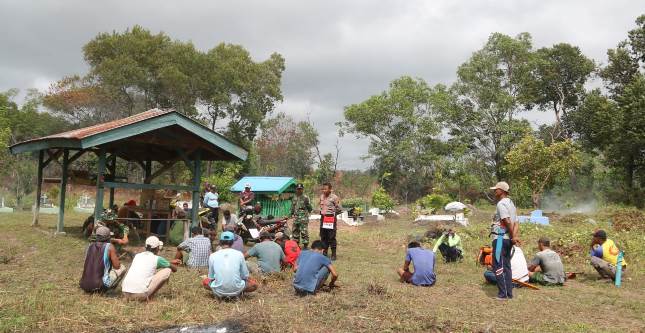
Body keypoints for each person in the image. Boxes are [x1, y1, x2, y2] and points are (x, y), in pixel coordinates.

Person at [489, 181, 521, 300]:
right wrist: (513, 237)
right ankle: (509, 293)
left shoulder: (501, 204)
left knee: (498, 265)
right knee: (506, 266)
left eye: (496, 189)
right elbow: (516, 222)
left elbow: (507, 221)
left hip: (500, 238)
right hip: (507, 240)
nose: (494, 191)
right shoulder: (511, 204)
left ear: (501, 191)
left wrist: (513, 237)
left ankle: (503, 294)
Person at [203, 231, 258, 299]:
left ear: (220, 242)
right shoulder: (239, 254)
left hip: (218, 290)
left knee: (205, 282)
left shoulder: (213, 256)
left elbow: (210, 277)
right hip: (237, 290)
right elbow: (245, 276)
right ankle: (238, 292)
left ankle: (220, 293)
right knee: (254, 284)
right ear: (232, 242)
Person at [121, 236, 177, 301]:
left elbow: (148, 264)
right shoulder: (157, 258)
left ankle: (130, 297)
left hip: (125, 292)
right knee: (168, 270)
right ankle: (150, 297)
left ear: (145, 247)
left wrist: (168, 262)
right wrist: (171, 263)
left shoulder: (137, 256)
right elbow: (175, 269)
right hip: (140, 294)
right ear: (157, 248)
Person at [80, 226, 127, 292]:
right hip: (99, 286)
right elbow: (117, 266)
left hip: (84, 285)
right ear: (108, 237)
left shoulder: (90, 246)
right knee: (122, 268)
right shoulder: (110, 247)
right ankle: (109, 290)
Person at [319, 182, 342, 260]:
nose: (324, 190)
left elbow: (339, 209)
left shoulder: (334, 197)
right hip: (323, 218)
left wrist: (333, 215)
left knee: (331, 236)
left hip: (330, 218)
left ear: (330, 189)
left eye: (326, 189)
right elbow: (321, 207)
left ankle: (333, 254)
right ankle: (324, 252)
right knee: (323, 236)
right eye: (323, 189)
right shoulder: (321, 196)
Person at [291, 183, 313, 249]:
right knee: (295, 231)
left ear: (303, 189)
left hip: (303, 217)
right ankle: (296, 245)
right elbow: (292, 207)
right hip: (296, 217)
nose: (299, 190)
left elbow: (310, 208)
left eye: (300, 189)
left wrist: (307, 214)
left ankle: (305, 246)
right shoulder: (294, 197)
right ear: (296, 189)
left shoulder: (306, 197)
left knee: (304, 232)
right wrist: (291, 214)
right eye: (298, 189)